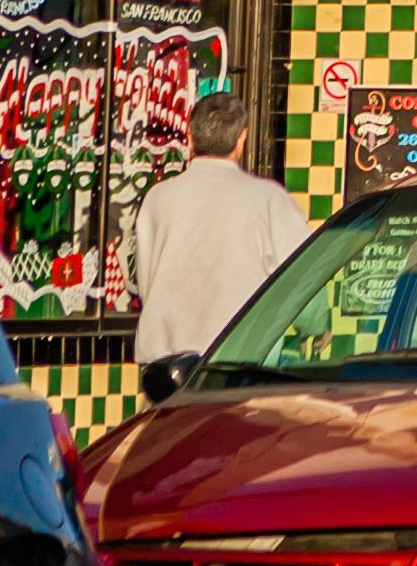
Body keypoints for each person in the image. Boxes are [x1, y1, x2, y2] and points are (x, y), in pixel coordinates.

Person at [128, 89, 311, 366]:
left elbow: (146, 281)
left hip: (166, 369)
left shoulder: (157, 199)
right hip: (239, 366)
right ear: (242, 139)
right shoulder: (268, 199)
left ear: (189, 138)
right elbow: (304, 276)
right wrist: (316, 327)